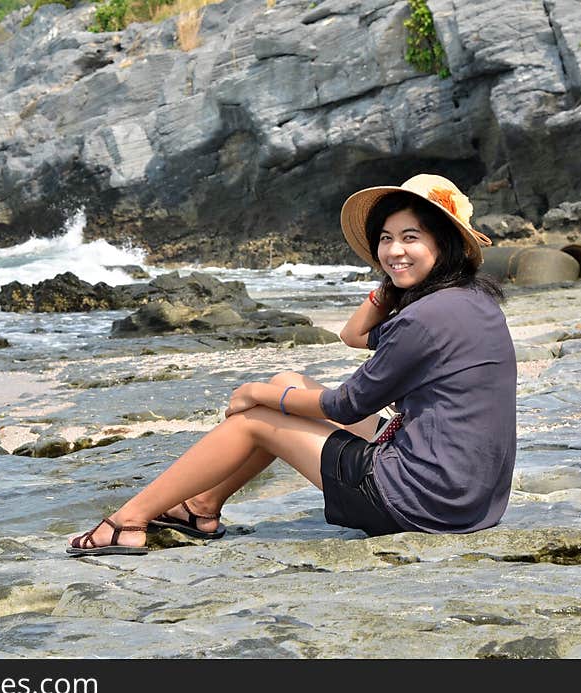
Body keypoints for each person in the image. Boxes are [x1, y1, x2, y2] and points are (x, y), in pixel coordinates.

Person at [66, 173, 517, 557]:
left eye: (411, 238)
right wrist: (394, 279)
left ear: (446, 244)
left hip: (420, 500)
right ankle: (201, 505)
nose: (393, 250)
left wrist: (254, 393)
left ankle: (129, 520)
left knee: (256, 419)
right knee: (288, 383)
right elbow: (354, 336)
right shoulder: (469, 301)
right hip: (465, 495)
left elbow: (345, 405)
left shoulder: (424, 317)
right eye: (385, 239)